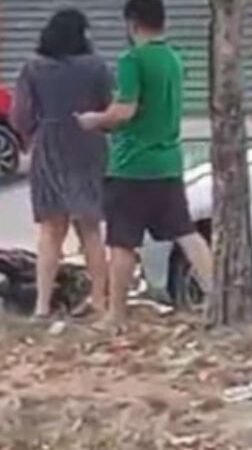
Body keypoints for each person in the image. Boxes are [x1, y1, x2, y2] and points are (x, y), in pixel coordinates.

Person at [75, 0, 213, 327]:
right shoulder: (173, 59)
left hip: (132, 166)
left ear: (132, 23)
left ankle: (116, 315)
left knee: (122, 241)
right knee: (187, 233)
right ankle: (215, 295)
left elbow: (125, 111)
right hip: (168, 163)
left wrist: (94, 120)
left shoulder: (132, 60)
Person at [11, 8, 111, 320]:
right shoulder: (96, 66)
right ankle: (99, 300)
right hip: (88, 143)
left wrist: (31, 135)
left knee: (51, 229)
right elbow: (107, 106)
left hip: (50, 146)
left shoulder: (33, 68)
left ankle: (42, 306)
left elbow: (20, 114)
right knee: (90, 229)